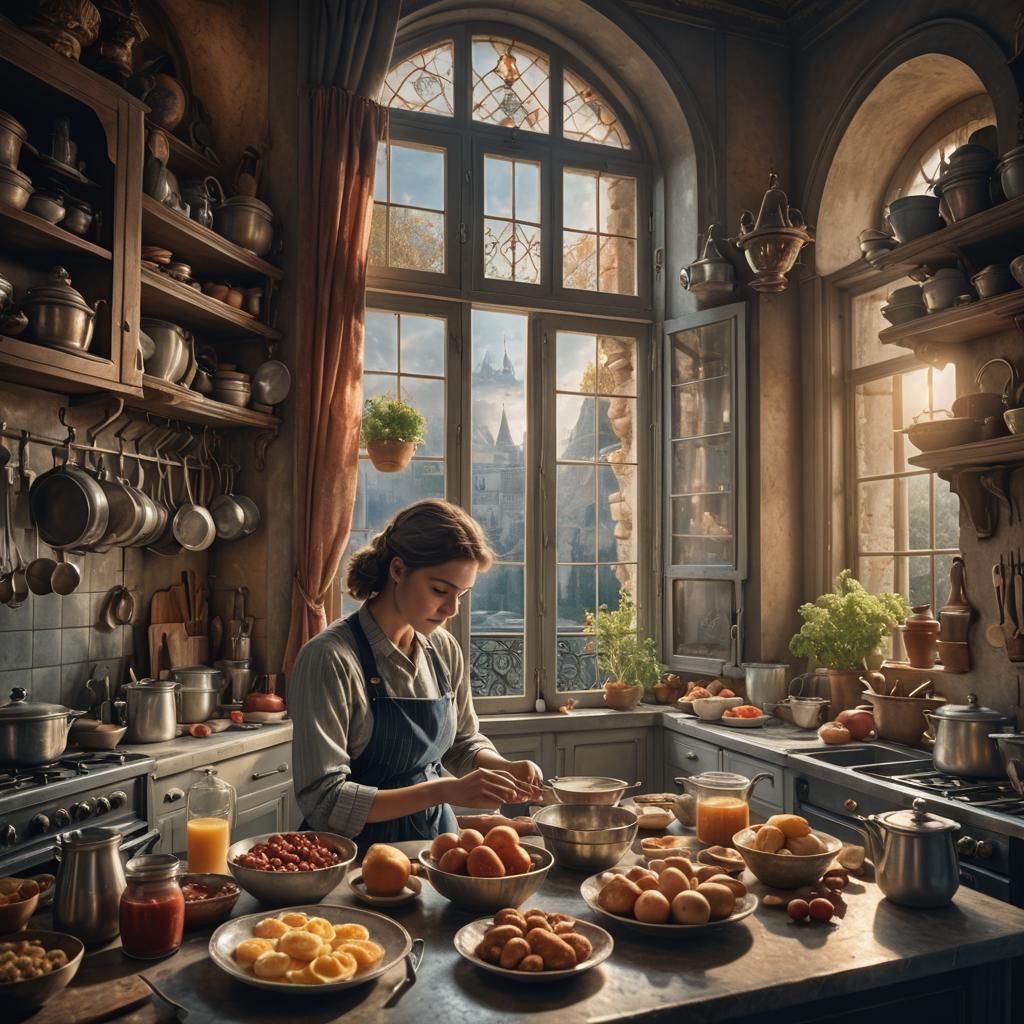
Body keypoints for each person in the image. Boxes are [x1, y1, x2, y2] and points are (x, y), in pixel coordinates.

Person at [290, 499, 542, 850]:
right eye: (440, 591)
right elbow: (325, 802)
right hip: (353, 863)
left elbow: (462, 742)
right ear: (397, 570)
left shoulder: (444, 649)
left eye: (462, 595)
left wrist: (502, 767)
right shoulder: (330, 659)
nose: (451, 609)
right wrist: (445, 789)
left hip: (435, 850)